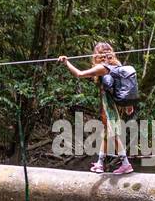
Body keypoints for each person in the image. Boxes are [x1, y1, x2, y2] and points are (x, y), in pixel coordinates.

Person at [58, 41, 138, 175]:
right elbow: (123, 85)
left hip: (108, 105)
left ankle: (126, 164)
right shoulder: (116, 66)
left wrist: (67, 62)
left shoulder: (102, 67)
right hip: (111, 104)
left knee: (113, 133)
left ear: (98, 54)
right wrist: (129, 105)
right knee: (107, 134)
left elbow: (79, 74)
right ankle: (100, 164)